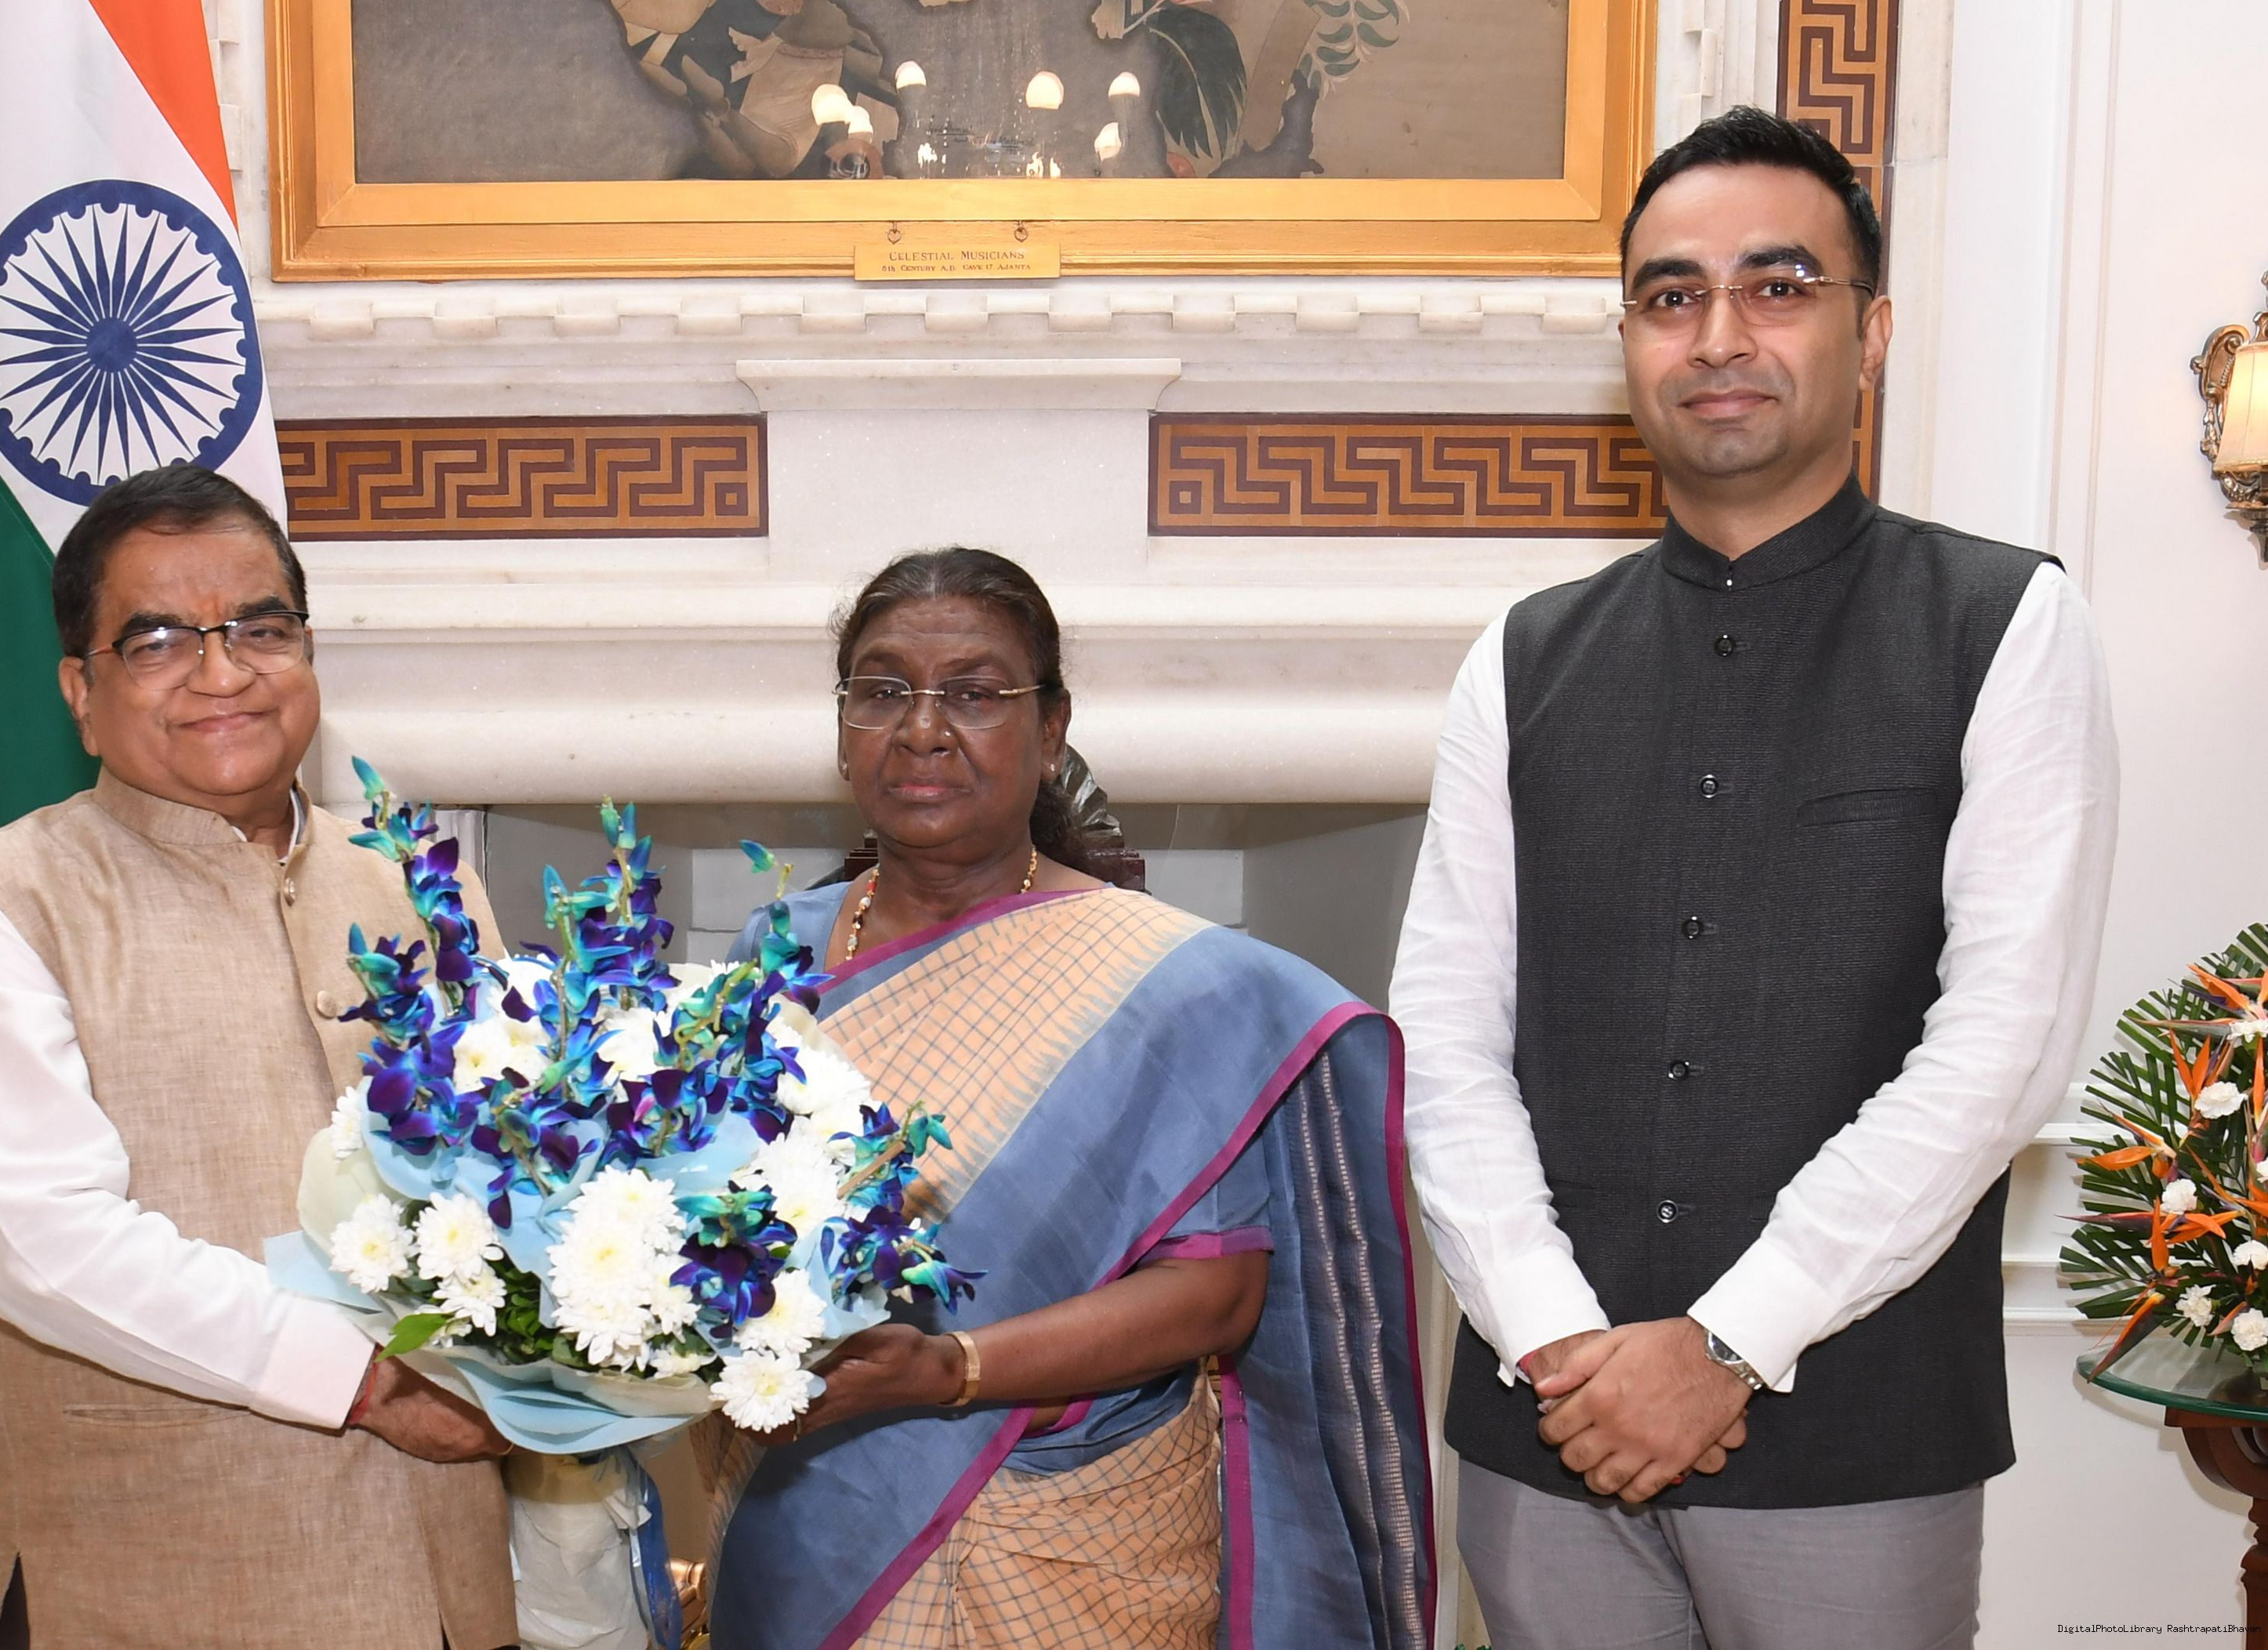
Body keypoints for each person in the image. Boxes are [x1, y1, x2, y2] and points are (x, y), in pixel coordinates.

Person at [1389, 105, 2120, 1649]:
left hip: (1855, 1424)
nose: (1718, 334)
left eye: (1777, 287)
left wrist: (1727, 1340)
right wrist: (1558, 1342)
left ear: (1871, 335)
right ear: (1628, 344)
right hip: (1548, 1422)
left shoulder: (2002, 624)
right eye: (1671, 295)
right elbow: (1441, 1038)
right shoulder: (1521, 658)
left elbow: (2002, 1044)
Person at [701, 548, 1432, 1650]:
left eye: (976, 694)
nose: (923, 730)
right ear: (844, 724)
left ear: (1051, 731)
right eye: (883, 690)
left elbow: (1215, 1299)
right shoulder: (773, 957)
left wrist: (951, 1369)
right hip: (803, 1513)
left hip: (1070, 1535)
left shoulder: (1170, 984)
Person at [0, 466, 520, 1650]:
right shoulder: (1, 899)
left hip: (444, 1569)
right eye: (158, 642)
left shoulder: (417, 881)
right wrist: (368, 1382)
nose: (222, 673)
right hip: (147, 1579)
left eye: (260, 630)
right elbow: (47, 1245)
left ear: (309, 654)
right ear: (81, 692)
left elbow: (523, 1171)